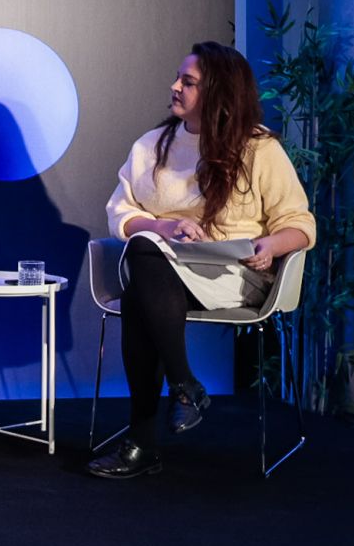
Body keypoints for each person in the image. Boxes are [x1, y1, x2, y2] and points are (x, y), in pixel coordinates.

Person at [88, 41, 314, 479]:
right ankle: (184, 385)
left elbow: (300, 224)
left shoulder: (258, 149)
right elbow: (121, 212)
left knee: (140, 294)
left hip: (233, 272)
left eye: (187, 82)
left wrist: (271, 246)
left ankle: (143, 440)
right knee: (144, 260)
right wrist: (163, 228)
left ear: (218, 93)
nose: (174, 87)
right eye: (178, 78)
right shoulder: (152, 145)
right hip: (164, 269)